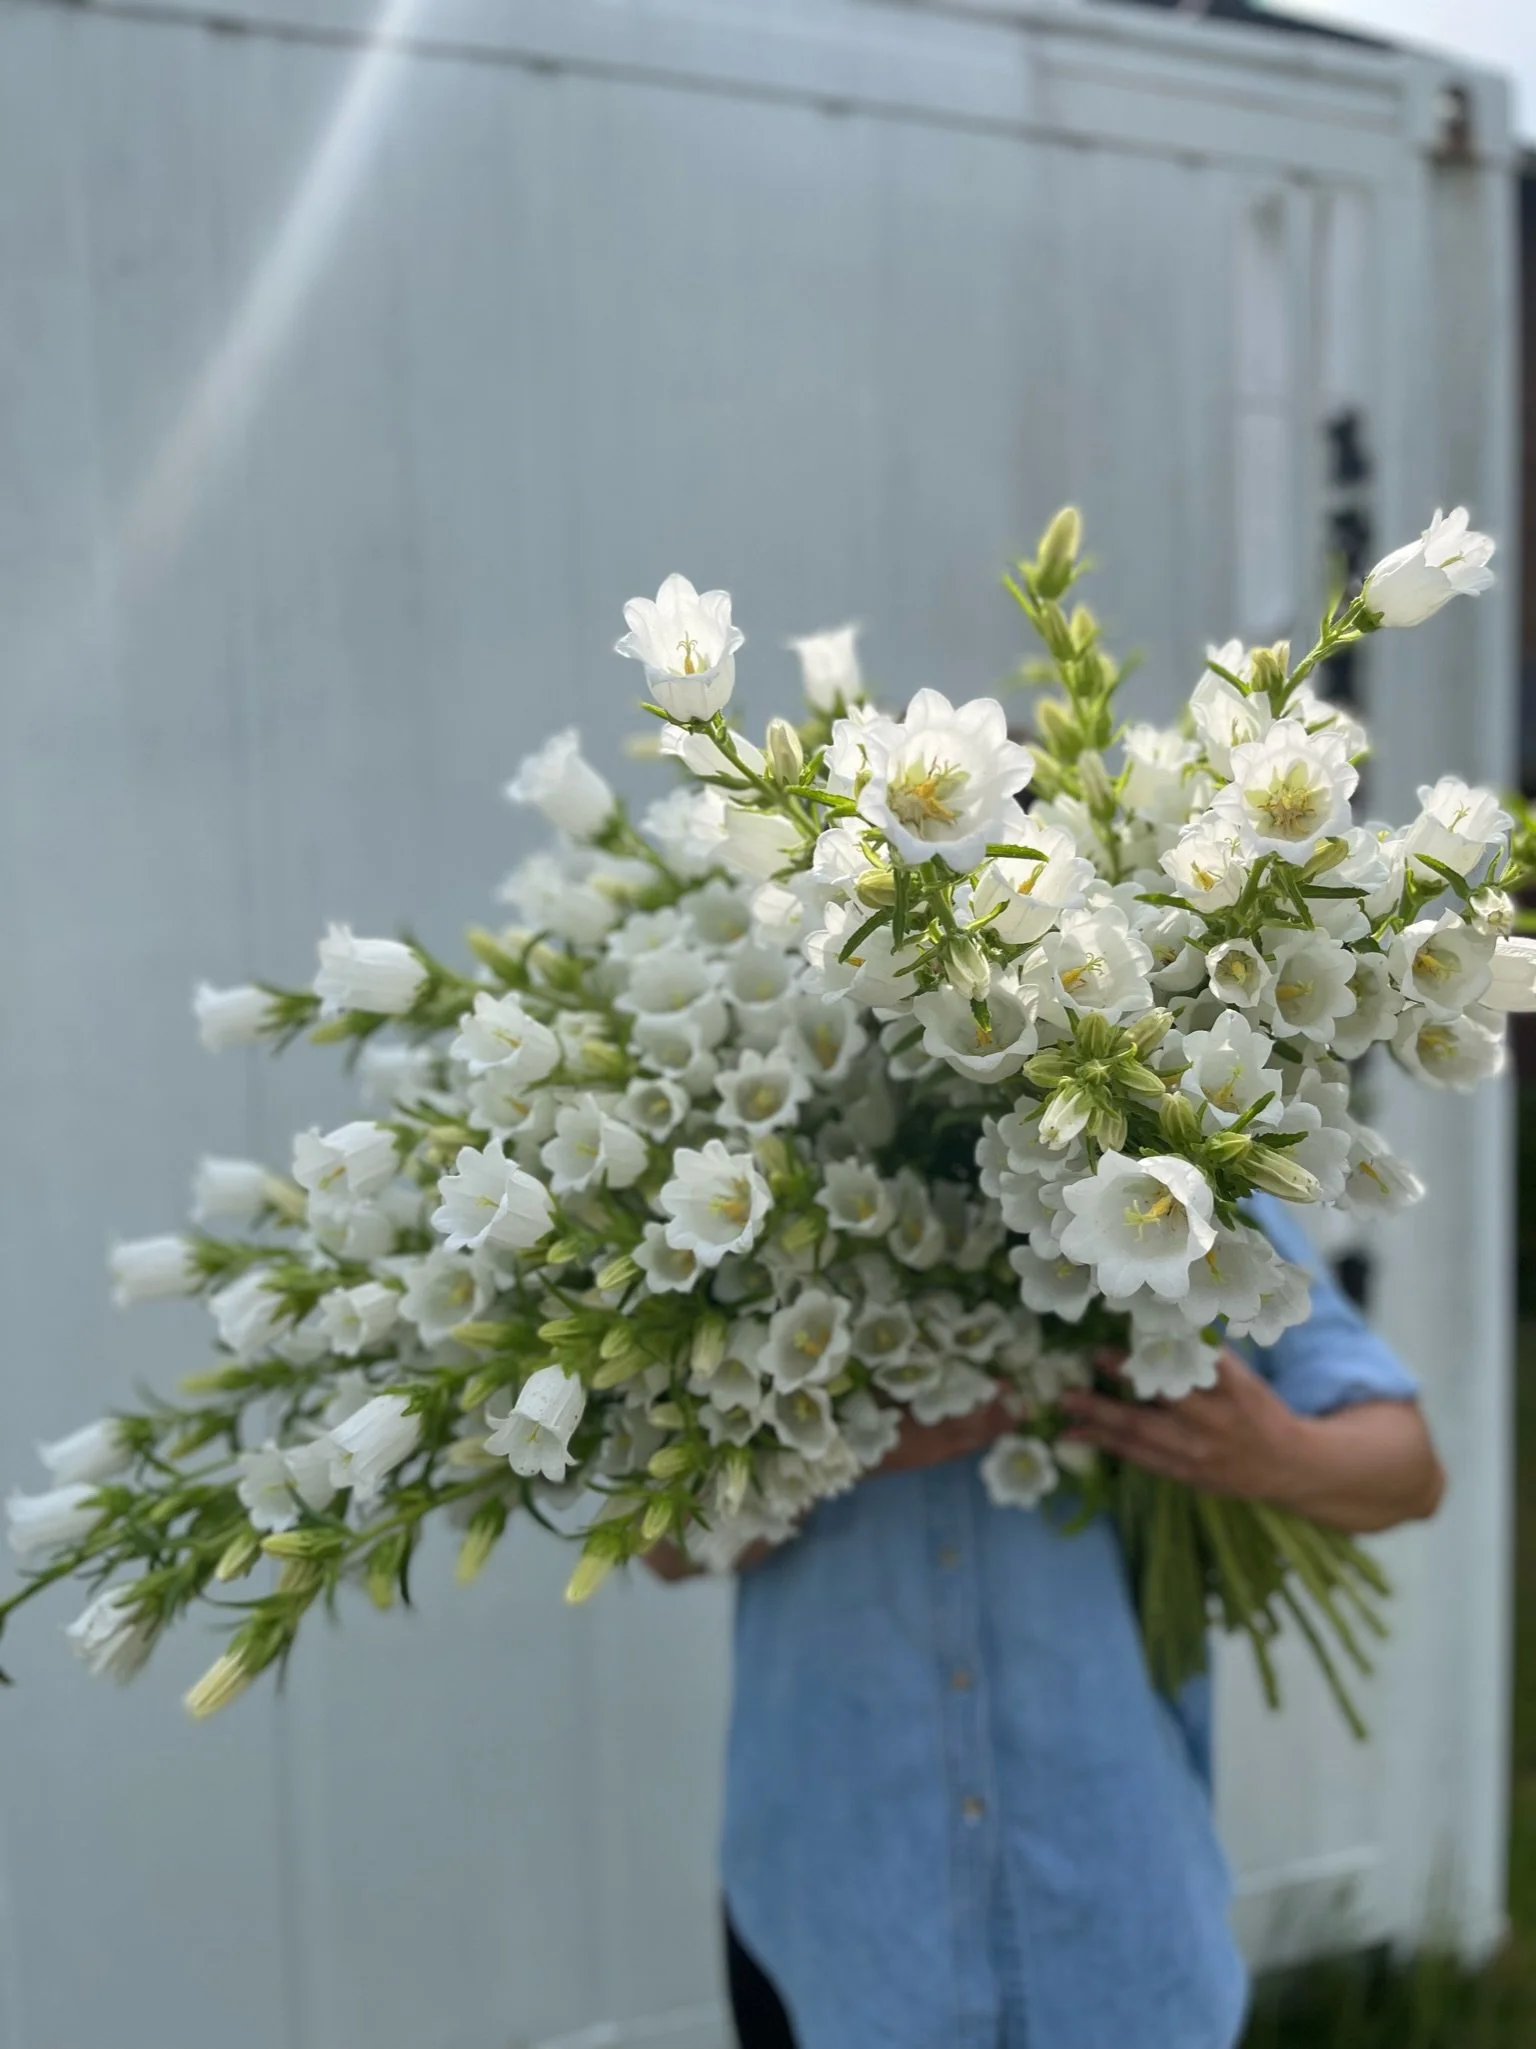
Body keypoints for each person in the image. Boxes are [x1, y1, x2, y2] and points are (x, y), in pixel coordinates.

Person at [646, 1195, 1444, 2049]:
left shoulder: (1155, 1180)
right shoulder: (744, 1199)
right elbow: (664, 1542)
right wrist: (832, 1446)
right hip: (840, 1906)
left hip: (1107, 1895)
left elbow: (1407, 1467)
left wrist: (1277, 1454)